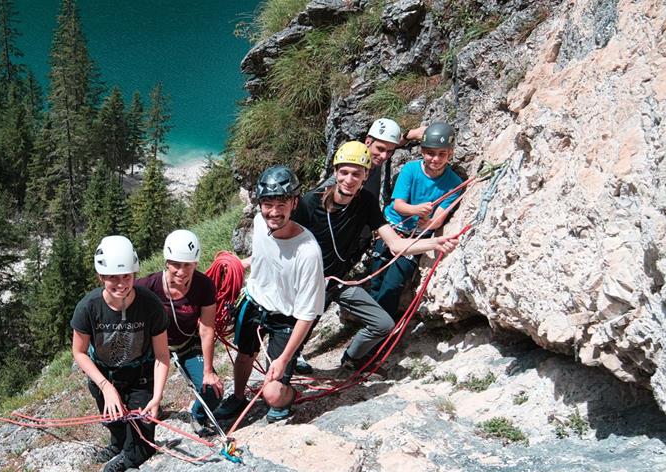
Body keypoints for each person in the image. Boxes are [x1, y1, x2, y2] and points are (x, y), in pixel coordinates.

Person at [291, 142, 459, 372]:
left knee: (383, 323)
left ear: (366, 175)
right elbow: (285, 241)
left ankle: (353, 358)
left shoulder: (366, 202)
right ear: (335, 173)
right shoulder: (311, 202)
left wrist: (434, 243)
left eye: (356, 174)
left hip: (335, 282)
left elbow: (395, 243)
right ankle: (286, 366)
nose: (349, 179)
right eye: (344, 172)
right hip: (306, 281)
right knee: (294, 332)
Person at [213, 165, 324, 425]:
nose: (273, 212)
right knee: (243, 356)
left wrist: (284, 359)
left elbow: (307, 315)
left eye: (281, 203)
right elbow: (264, 257)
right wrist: (239, 264)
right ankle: (238, 396)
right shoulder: (259, 224)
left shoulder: (307, 252)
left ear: (294, 202)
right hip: (254, 302)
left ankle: (289, 395)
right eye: (267, 204)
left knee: (272, 394)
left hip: (285, 317)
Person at [71, 235, 170, 472]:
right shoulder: (89, 307)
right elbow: (79, 352)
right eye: (112, 278)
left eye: (126, 276)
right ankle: (117, 442)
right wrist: (106, 387)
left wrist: (156, 398)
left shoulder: (150, 305)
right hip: (105, 375)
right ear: (101, 277)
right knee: (113, 415)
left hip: (140, 376)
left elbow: (161, 355)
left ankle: (127, 451)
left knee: (142, 446)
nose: (121, 284)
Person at [368, 122, 463, 318]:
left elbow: (438, 220)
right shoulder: (410, 170)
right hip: (391, 229)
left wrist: (428, 222)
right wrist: (416, 210)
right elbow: (398, 205)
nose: (435, 159)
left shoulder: (454, 184)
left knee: (393, 284)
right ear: (422, 151)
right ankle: (371, 324)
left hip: (415, 239)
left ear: (450, 154)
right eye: (430, 153)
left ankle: (381, 326)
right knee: (376, 278)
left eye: (441, 154)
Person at [135, 230, 223, 434]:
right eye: (176, 264)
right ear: (167, 262)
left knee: (213, 392)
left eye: (187, 265)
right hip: (153, 349)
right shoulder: (149, 286)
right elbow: (121, 294)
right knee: (140, 401)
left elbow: (207, 329)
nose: (181, 271)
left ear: (196, 264)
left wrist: (208, 372)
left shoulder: (204, 286)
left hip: (186, 344)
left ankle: (198, 415)